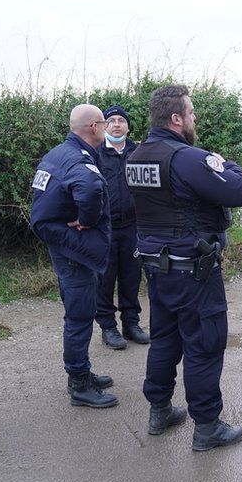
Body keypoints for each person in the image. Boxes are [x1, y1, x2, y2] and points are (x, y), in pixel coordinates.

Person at [127, 85, 242, 450]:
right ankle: (208, 426)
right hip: (192, 270)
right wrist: (228, 164)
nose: (195, 118)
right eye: (192, 113)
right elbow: (238, 191)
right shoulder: (186, 158)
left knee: (164, 338)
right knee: (204, 344)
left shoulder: (135, 158)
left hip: (156, 266)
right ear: (177, 118)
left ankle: (160, 410)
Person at [30, 104, 118, 409]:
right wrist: (88, 220)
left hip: (58, 238)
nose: (107, 128)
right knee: (80, 312)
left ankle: (83, 371)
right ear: (94, 126)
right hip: (70, 243)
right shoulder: (79, 160)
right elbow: (91, 188)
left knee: (79, 307)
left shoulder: (58, 153)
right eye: (105, 123)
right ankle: (79, 382)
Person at [94, 105, 150, 350]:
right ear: (104, 126)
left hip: (132, 228)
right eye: (111, 120)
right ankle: (108, 327)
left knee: (131, 277)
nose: (116, 124)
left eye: (121, 120)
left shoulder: (139, 153)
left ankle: (131, 324)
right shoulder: (94, 153)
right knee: (104, 280)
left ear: (128, 126)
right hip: (104, 229)